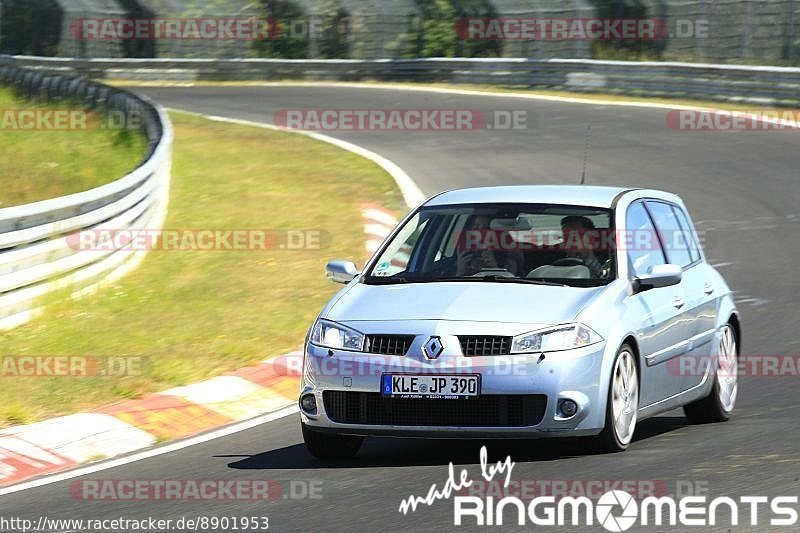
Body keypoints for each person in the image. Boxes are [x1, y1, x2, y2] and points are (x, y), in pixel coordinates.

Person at [456, 215, 523, 276]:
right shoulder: (465, 253)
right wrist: (461, 268)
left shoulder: (510, 256)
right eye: (475, 228)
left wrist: (494, 267)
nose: (480, 232)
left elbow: (512, 285)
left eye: (487, 228)